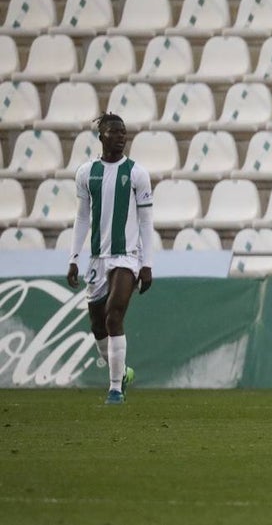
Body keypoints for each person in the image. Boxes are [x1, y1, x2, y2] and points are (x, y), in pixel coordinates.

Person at [65, 113, 154, 405]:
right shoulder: (86, 173)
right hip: (97, 259)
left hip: (127, 257)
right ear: (101, 135)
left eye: (124, 132)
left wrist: (147, 264)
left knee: (114, 315)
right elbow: (82, 217)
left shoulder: (137, 173)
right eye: (115, 132)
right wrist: (74, 259)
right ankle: (123, 372)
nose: (121, 136)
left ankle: (115, 388)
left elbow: (145, 222)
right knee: (98, 326)